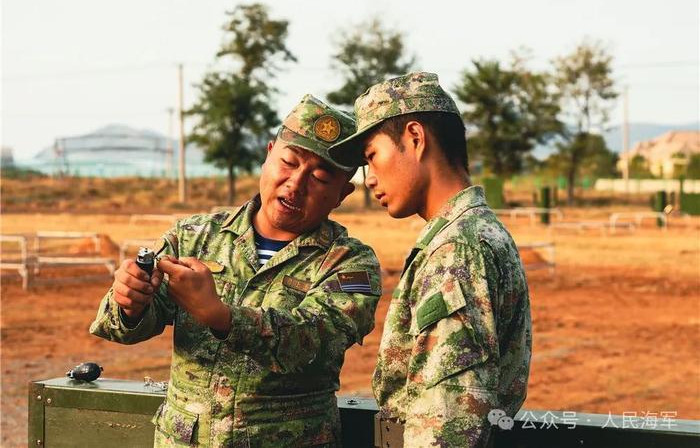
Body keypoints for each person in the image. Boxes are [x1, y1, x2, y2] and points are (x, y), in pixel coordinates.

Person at [90, 94, 382, 448]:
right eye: (288, 162)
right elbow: (124, 327)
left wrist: (221, 316)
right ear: (268, 154)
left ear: (342, 194)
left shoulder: (349, 262)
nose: (296, 183)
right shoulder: (193, 237)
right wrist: (129, 300)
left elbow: (317, 342)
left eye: (319, 177)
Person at [328, 72, 532, 447]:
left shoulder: (457, 250)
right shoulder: (471, 233)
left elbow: (449, 418)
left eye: (372, 157)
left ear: (416, 138)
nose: (369, 179)